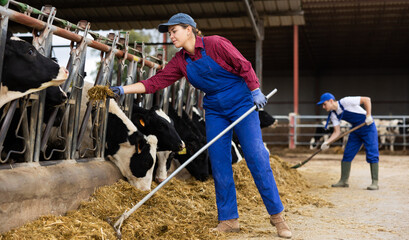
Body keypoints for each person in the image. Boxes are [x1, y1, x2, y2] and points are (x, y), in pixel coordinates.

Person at [110, 13, 292, 238]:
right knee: (218, 161)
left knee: (256, 156)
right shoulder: (180, 61)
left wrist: (255, 89)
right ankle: (228, 219)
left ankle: (278, 218)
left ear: (189, 30)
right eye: (169, 33)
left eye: (174, 31)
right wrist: (123, 89)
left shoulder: (216, 44)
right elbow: (155, 82)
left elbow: (243, 64)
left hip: (241, 104)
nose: (171, 36)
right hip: (215, 110)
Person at [317, 92, 379, 190]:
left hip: (368, 126)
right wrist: (327, 143)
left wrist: (368, 115)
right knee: (347, 154)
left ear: (331, 101)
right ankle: (343, 181)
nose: (323, 107)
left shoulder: (346, 101)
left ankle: (375, 182)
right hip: (355, 130)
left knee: (372, 153)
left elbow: (367, 99)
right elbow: (337, 132)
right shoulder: (333, 114)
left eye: (324, 104)